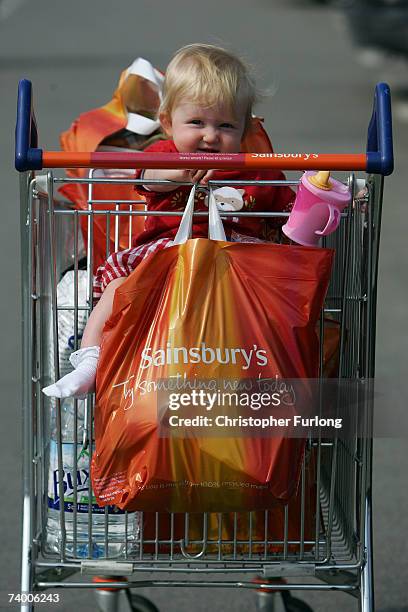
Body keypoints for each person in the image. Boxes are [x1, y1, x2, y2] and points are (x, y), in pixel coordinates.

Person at [43, 43, 294, 400]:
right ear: (167, 123)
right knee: (117, 290)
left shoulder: (255, 167)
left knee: (270, 303)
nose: (210, 136)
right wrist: (178, 172)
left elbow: (288, 206)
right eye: (196, 123)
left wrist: (328, 196)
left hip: (237, 263)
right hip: (167, 256)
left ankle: (265, 375)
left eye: (225, 125)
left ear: (246, 128)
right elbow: (147, 177)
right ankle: (90, 360)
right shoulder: (165, 155)